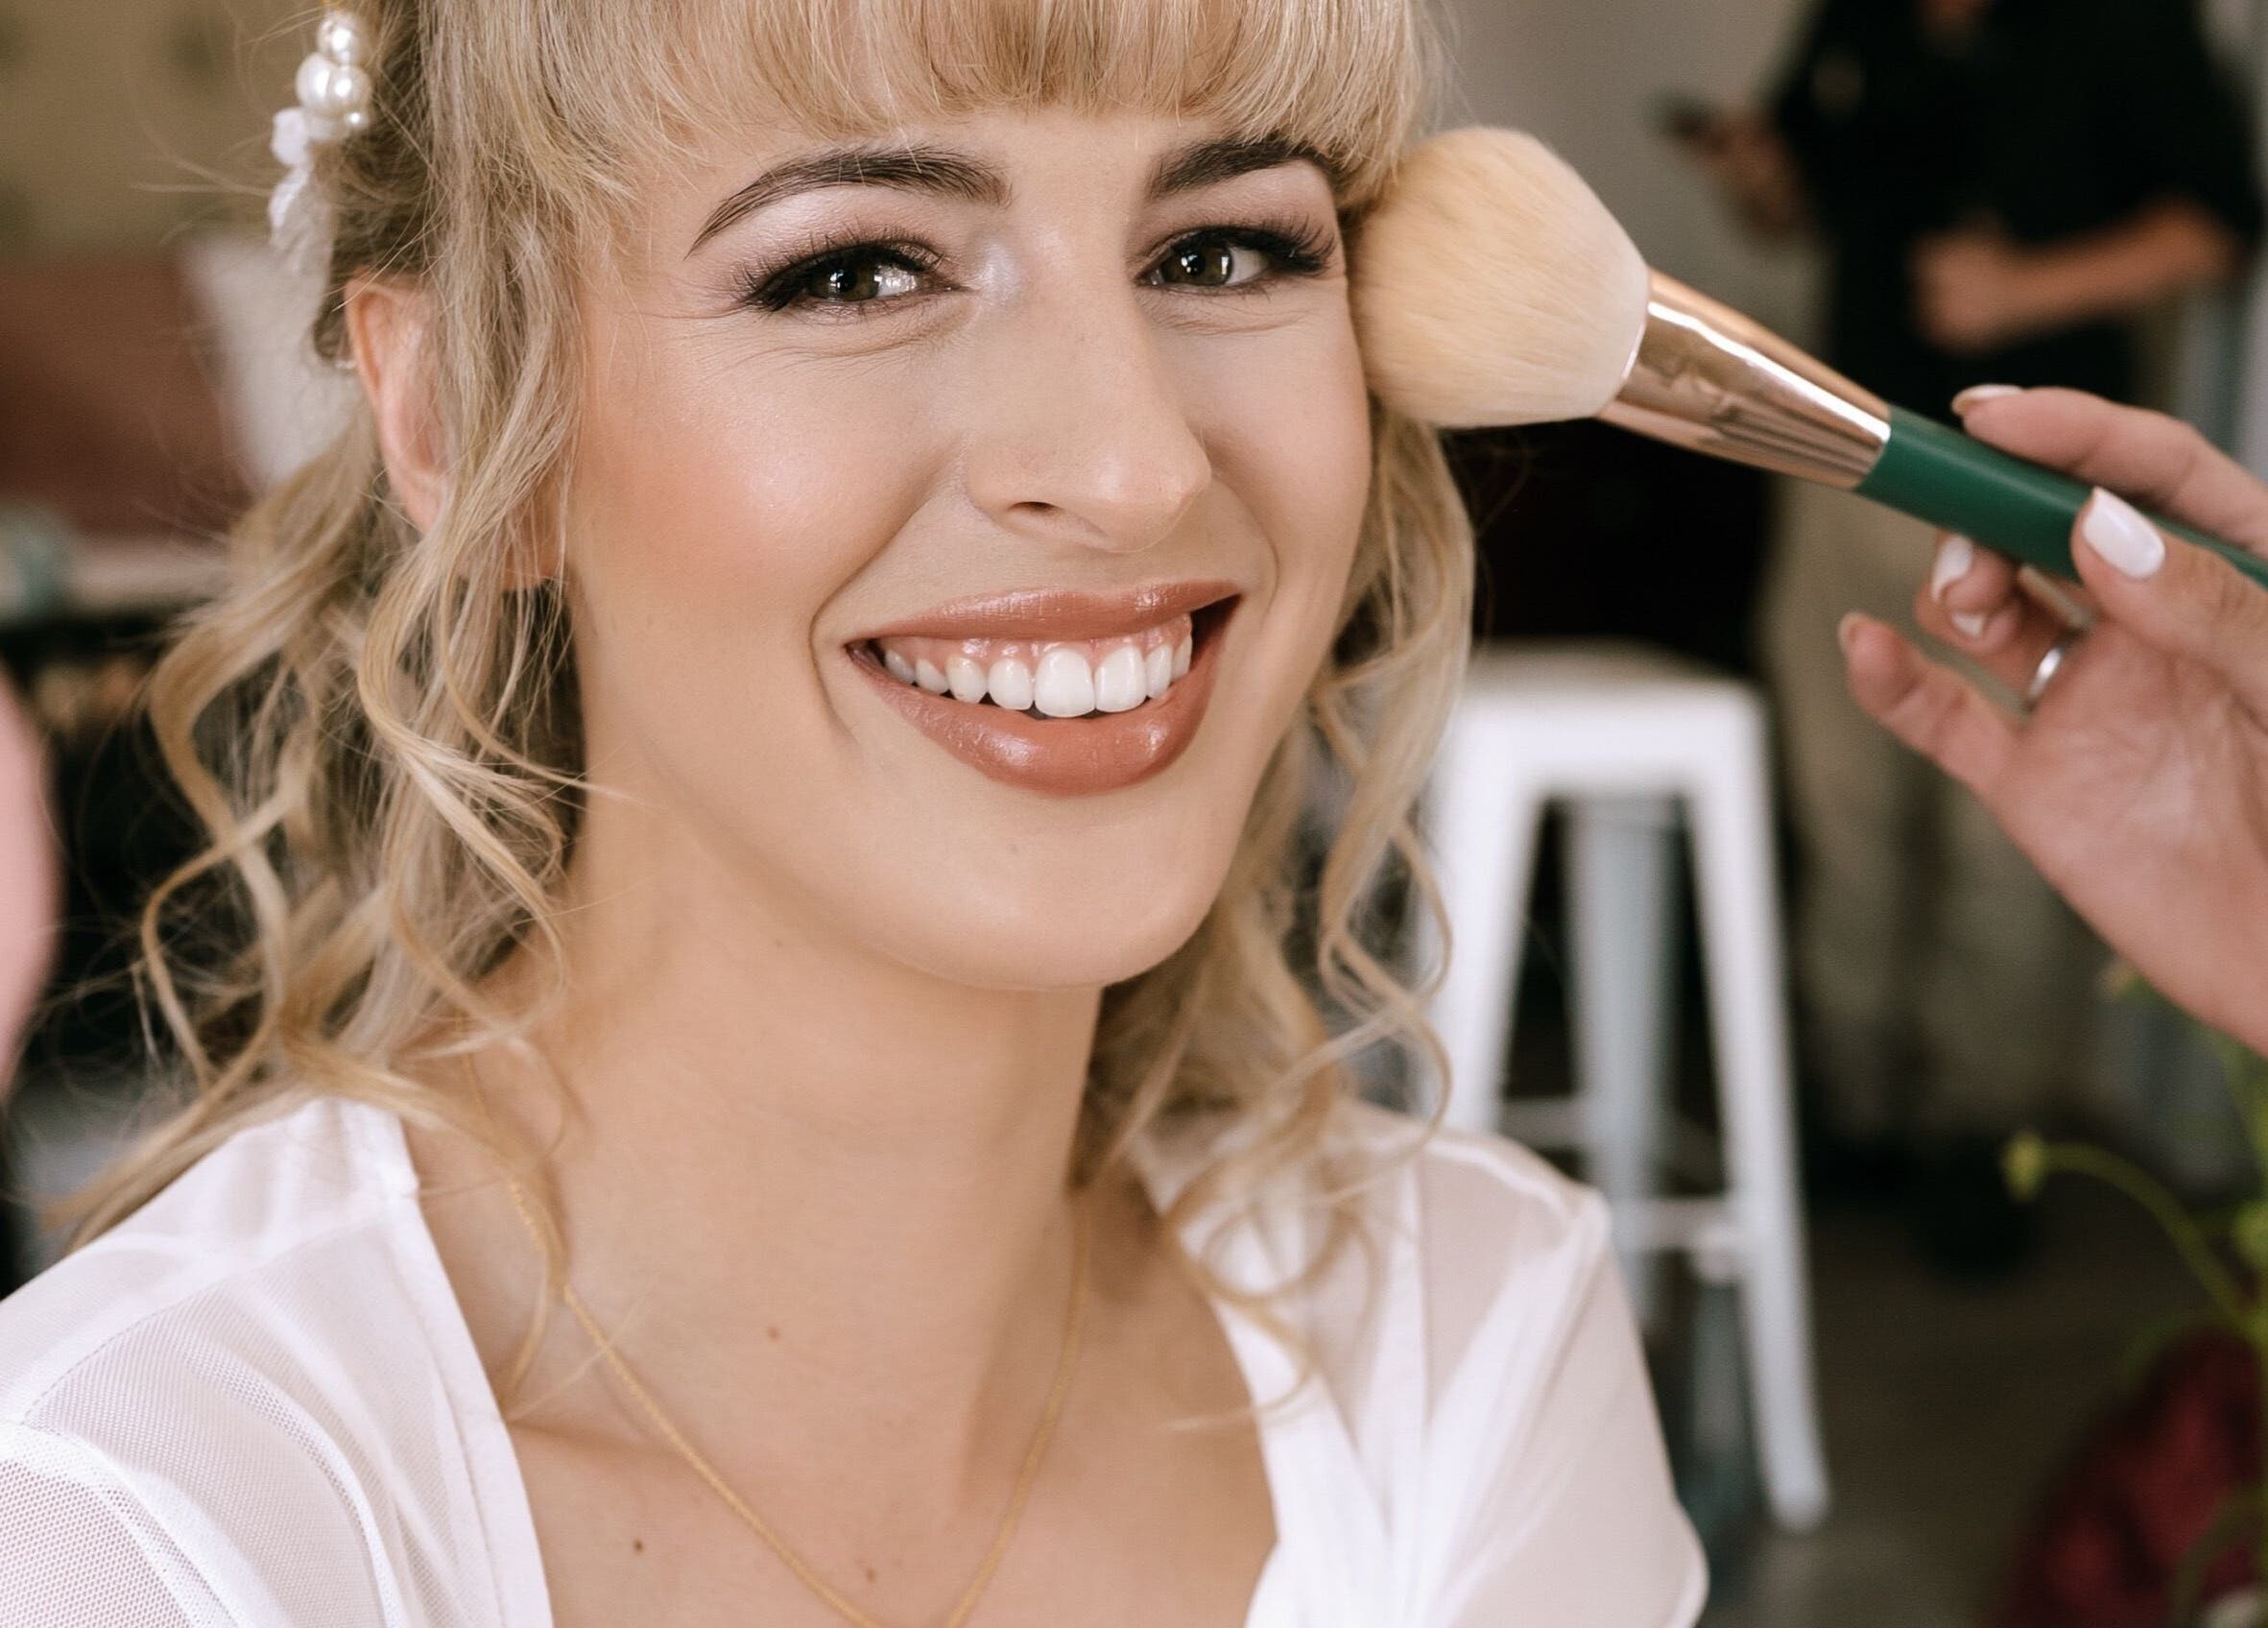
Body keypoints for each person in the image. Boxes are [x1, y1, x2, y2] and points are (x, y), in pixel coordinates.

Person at [0, 4, 1708, 1625]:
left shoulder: (1465, 1351)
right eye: (854, 271)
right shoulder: (142, 1523)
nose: (1133, 468)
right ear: (453, 417)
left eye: (1222, 251)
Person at [1678, 0, 2263, 1270]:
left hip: (2026, 491)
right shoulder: (1857, 16)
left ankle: (1979, 1135)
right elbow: (1801, 207)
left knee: (2015, 823)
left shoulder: (2131, 28)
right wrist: (1759, 178)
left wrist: (2027, 287)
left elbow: (2220, 225)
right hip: (1838, 455)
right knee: (1840, 796)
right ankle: (1854, 1104)